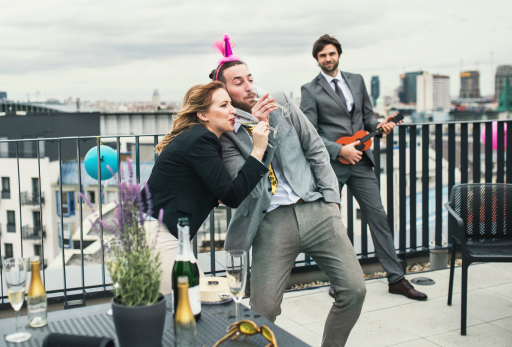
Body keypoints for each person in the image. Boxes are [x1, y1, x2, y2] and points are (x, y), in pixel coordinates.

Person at [211, 35, 366, 347]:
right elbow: (243, 185)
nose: (249, 87)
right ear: (224, 92)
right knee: (263, 310)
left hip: (315, 208)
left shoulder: (281, 101)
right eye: (238, 82)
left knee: (354, 290)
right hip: (271, 223)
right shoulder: (226, 134)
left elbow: (316, 150)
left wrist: (331, 199)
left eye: (250, 78)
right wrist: (259, 131)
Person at [300, 34, 427, 301]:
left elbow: (368, 118)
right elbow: (310, 133)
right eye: (322, 55)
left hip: (361, 161)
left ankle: (396, 278)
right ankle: (341, 280)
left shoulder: (356, 80)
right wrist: (339, 149)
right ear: (317, 60)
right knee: (332, 225)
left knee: (378, 217)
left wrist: (381, 128)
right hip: (332, 165)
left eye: (331, 53)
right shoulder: (309, 90)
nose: (328, 59)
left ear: (339, 55)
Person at [145, 79, 271, 295]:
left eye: (230, 104)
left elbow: (220, 191)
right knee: (198, 299)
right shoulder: (202, 140)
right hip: (159, 234)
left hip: (158, 231)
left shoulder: (198, 138)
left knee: (180, 308)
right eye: (223, 106)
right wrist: (258, 149)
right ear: (203, 115)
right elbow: (232, 196)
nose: (232, 110)